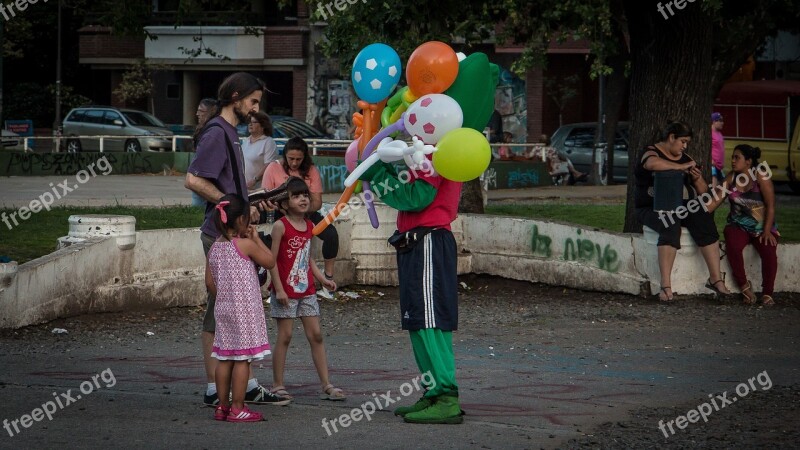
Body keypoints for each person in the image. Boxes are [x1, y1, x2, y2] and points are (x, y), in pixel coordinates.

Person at [184, 72, 288, 407]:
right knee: (222, 313)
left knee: (233, 311)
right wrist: (229, 207)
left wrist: (250, 206)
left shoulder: (229, 132)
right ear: (236, 97)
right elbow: (194, 180)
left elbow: (230, 189)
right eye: (253, 101)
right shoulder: (218, 133)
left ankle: (243, 384)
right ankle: (217, 388)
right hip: (221, 237)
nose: (256, 110)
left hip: (232, 233)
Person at [357, 157, 465, 425]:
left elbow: (416, 197)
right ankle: (433, 393)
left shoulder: (436, 153)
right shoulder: (421, 151)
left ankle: (446, 396)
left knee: (430, 321)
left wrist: (380, 173)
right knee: (417, 321)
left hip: (429, 238)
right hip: (416, 241)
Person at [206, 194, 288, 422]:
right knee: (243, 359)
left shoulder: (215, 248)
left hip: (223, 310)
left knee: (224, 358)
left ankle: (222, 407)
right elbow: (270, 261)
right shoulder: (245, 244)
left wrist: (224, 298)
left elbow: (210, 283)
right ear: (241, 220)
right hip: (245, 311)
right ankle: (238, 407)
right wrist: (256, 238)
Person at [634, 121, 730, 301]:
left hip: (677, 205)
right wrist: (679, 167)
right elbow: (651, 164)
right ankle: (665, 287)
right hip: (649, 208)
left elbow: (704, 195)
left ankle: (715, 279)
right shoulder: (650, 152)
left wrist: (698, 178)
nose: (685, 146)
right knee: (670, 223)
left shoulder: (685, 159)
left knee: (702, 215)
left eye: (687, 143)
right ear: (671, 137)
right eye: (683, 141)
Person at [267, 177, 344, 401]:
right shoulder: (280, 226)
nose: (303, 199)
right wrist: (279, 289)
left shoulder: (310, 226)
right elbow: (271, 260)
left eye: (305, 195)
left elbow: (306, 257)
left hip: (307, 289)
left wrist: (322, 279)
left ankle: (326, 384)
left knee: (316, 335)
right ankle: (277, 384)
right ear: (284, 203)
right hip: (285, 291)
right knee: (285, 335)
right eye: (296, 196)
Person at [262, 137, 339, 299]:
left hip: (307, 213)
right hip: (280, 212)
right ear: (285, 156)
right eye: (291, 159)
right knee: (275, 243)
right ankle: (273, 285)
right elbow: (266, 197)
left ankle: (329, 279)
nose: (295, 163)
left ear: (305, 157)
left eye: (299, 159)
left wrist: (300, 208)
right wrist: (285, 209)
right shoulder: (273, 168)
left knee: (331, 234)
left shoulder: (311, 170)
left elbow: (317, 202)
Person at [707, 145, 778, 306]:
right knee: (733, 245)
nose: (732, 160)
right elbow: (713, 203)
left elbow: (770, 205)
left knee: (769, 250)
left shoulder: (760, 176)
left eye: (736, 157)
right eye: (732, 157)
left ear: (748, 161)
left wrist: (767, 231)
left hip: (762, 227)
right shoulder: (731, 178)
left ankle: (767, 293)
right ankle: (744, 287)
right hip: (737, 225)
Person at [191, 99, 220, 206]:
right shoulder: (202, 130)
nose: (197, 114)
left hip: (206, 179)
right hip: (198, 178)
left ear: (210, 112)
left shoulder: (213, 131)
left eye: (201, 111)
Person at [242, 111, 278, 191]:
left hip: (258, 188)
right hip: (243, 187)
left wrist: (254, 180)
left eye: (254, 122)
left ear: (263, 126)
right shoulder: (246, 141)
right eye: (249, 122)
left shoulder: (268, 142)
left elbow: (268, 165)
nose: (250, 124)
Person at [711, 112, 725, 189]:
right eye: (720, 120)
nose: (722, 123)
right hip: (713, 164)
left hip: (719, 165)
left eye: (722, 120)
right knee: (714, 186)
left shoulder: (720, 133)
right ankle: (711, 200)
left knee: (724, 184)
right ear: (714, 121)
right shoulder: (709, 133)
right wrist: (710, 160)